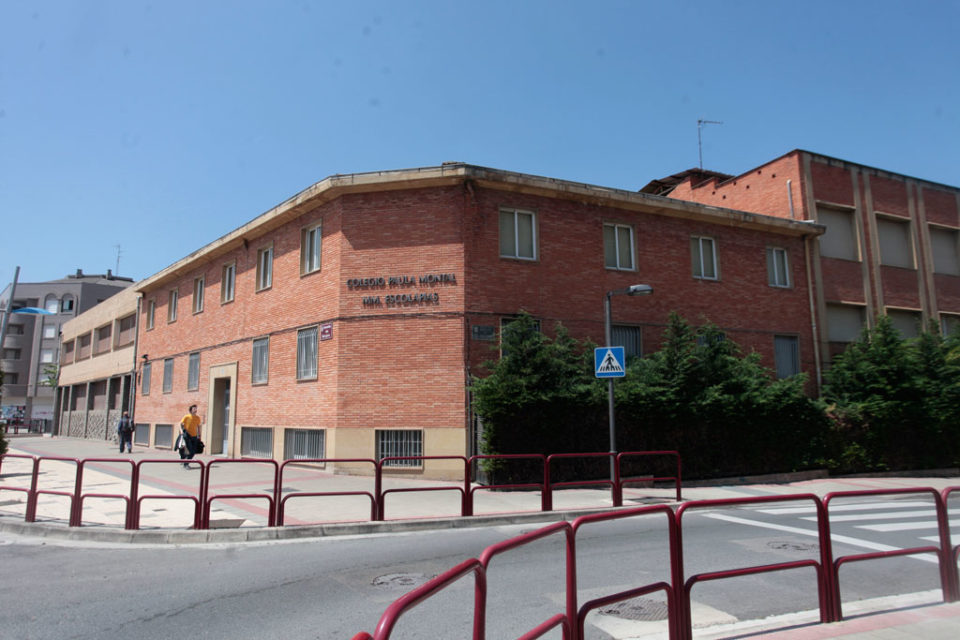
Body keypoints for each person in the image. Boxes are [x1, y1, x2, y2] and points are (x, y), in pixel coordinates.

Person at [179, 404, 202, 469]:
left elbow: (198, 427)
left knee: (193, 451)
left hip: (194, 436)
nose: (195, 410)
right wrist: (181, 432)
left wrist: (199, 435)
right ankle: (186, 464)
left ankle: (186, 459)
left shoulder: (197, 418)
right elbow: (179, 424)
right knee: (191, 451)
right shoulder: (187, 417)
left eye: (196, 409)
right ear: (191, 410)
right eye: (194, 409)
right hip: (187, 436)